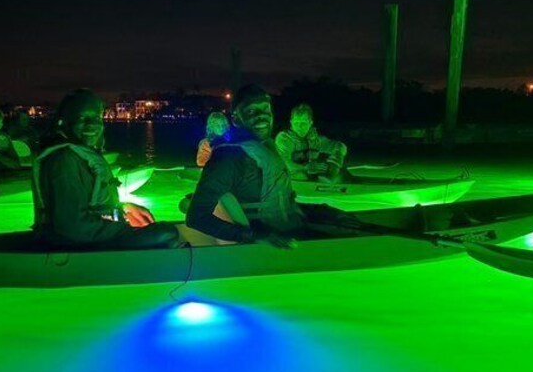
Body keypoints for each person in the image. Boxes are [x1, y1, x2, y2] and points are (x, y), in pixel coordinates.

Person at [185, 85, 358, 248]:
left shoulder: (266, 147)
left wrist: (324, 212)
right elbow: (196, 217)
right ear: (236, 118)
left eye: (266, 109)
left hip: (290, 227)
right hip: (275, 241)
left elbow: (280, 205)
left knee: (351, 227)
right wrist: (257, 236)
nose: (262, 116)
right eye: (252, 111)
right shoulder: (228, 158)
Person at [32, 89, 180, 249]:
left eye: (96, 118)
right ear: (63, 122)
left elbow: (90, 204)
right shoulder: (63, 160)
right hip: (75, 245)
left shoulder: (76, 155)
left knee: (161, 230)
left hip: (87, 238)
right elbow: (73, 226)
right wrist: (124, 230)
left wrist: (122, 209)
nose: (92, 125)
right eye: (82, 118)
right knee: (168, 232)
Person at [275, 102, 347, 182]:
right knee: (301, 176)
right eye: (296, 123)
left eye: (303, 123)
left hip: (309, 173)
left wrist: (334, 164)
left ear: (310, 123)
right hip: (286, 175)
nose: (299, 127)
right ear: (291, 122)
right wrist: (305, 167)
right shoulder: (284, 138)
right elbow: (282, 162)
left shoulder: (315, 140)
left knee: (340, 174)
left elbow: (340, 146)